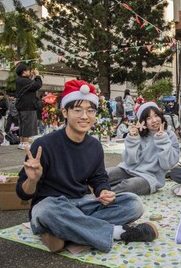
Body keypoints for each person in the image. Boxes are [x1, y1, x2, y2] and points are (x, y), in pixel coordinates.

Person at [16, 80, 158, 253]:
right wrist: (33, 179)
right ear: (65, 112)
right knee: (45, 211)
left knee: (134, 203)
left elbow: (99, 178)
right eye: (77, 110)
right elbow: (22, 193)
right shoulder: (43, 145)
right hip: (53, 206)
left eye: (90, 110)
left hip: (82, 204)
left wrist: (103, 191)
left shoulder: (94, 145)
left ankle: (62, 232)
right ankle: (118, 232)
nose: (85, 116)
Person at [105, 102, 180, 195]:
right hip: (129, 170)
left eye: (156, 116)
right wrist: (133, 139)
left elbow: (167, 165)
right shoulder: (140, 135)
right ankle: (86, 188)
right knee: (106, 174)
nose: (154, 120)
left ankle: (99, 197)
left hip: (149, 178)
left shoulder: (169, 135)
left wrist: (162, 140)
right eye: (148, 118)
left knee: (128, 185)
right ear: (142, 121)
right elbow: (130, 162)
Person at [15, 63, 42, 150]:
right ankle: (25, 143)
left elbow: (31, 85)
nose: (30, 72)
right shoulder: (23, 80)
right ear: (24, 72)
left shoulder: (20, 80)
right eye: (28, 70)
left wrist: (34, 77)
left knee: (23, 124)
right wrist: (37, 76)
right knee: (27, 124)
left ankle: (22, 142)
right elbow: (37, 85)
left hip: (22, 105)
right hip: (27, 106)